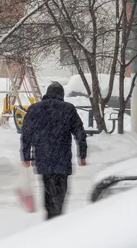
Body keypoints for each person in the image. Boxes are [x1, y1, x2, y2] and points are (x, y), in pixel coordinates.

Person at [20, 82, 87, 220]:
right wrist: (82, 154)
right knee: (61, 193)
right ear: (61, 95)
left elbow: (26, 134)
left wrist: (26, 155)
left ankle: (51, 218)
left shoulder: (35, 109)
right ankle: (57, 219)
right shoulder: (68, 109)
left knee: (48, 191)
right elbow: (80, 133)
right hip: (62, 160)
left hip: (43, 159)